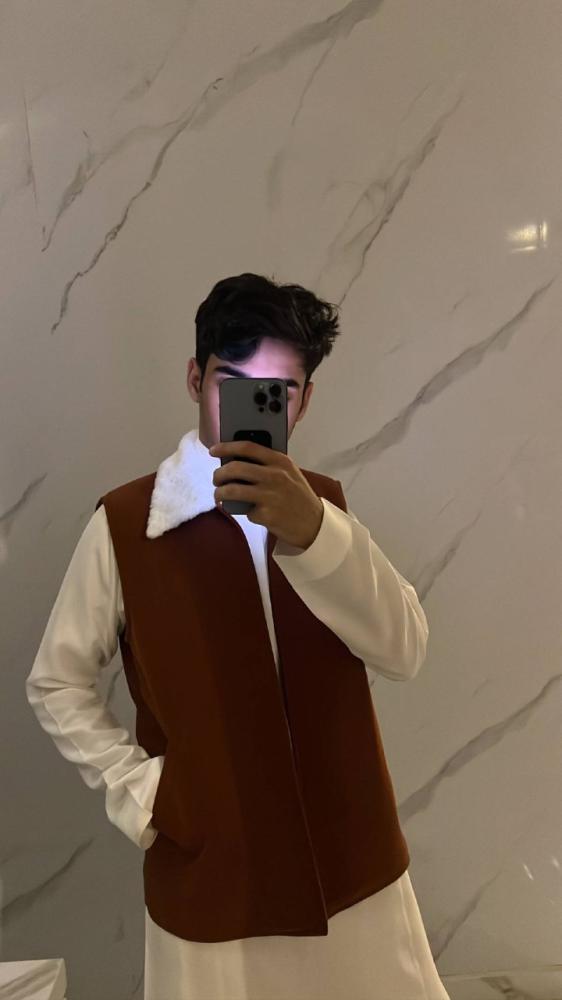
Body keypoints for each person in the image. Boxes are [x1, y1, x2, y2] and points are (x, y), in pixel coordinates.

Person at [26, 273, 450, 999]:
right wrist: (145, 791)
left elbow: (404, 649)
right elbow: (56, 681)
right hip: (212, 869)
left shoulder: (326, 508)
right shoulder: (128, 524)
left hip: (352, 862)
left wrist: (315, 533)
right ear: (196, 378)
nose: (255, 405)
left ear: (304, 400)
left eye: (277, 390)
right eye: (233, 382)